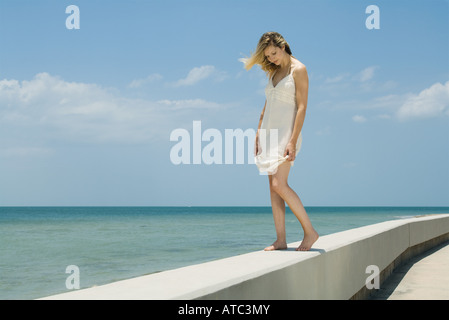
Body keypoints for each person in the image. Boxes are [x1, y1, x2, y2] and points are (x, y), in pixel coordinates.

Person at [243, 32, 319, 251]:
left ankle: (310, 231)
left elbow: (302, 106)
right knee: (272, 188)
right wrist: (258, 134)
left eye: (274, 53)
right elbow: (267, 106)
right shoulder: (273, 72)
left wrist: (293, 141)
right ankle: (281, 240)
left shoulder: (299, 70)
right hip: (268, 134)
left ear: (283, 46)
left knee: (279, 184)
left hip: (287, 134)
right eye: (268, 56)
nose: (272, 58)